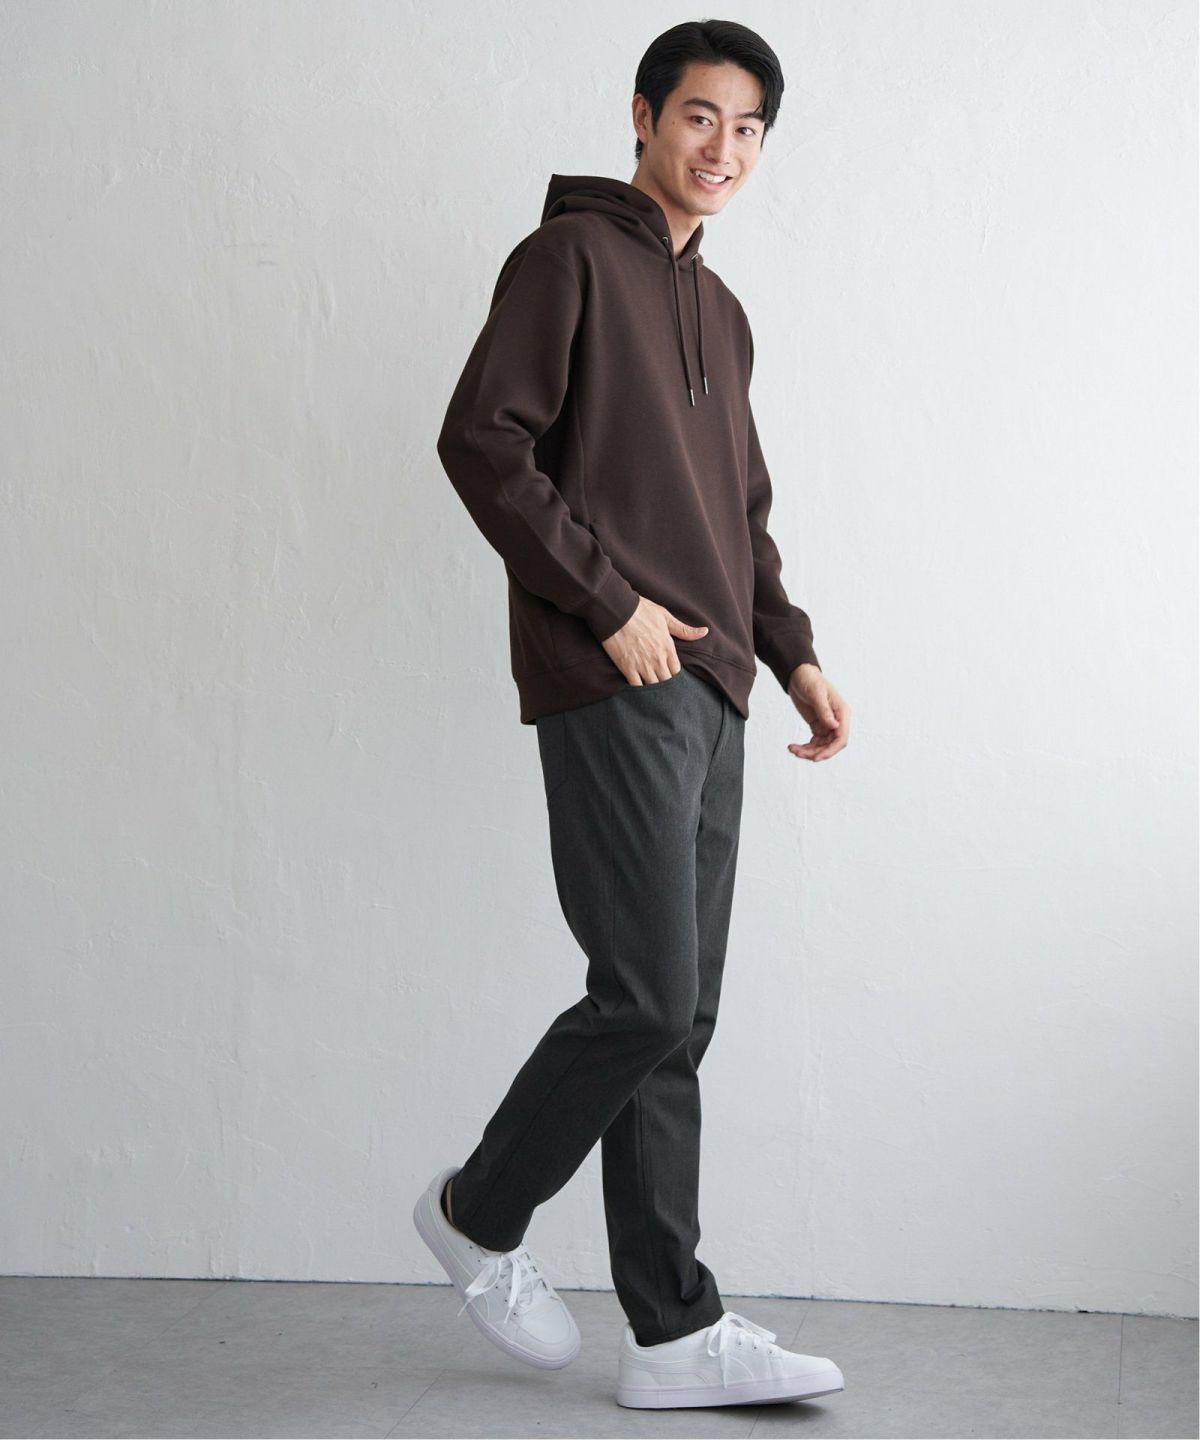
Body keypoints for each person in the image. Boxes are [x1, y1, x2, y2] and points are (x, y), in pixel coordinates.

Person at [414, 17, 851, 1411]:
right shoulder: (566, 261)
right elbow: (482, 442)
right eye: (701, 116)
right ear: (645, 116)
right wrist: (608, 605)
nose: (723, 148)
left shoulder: (724, 315)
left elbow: (742, 515)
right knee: (647, 994)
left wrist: (792, 654)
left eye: (749, 129)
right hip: (615, 673)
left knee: (681, 1015)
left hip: (715, 687)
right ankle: (479, 1210)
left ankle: (670, 1333)